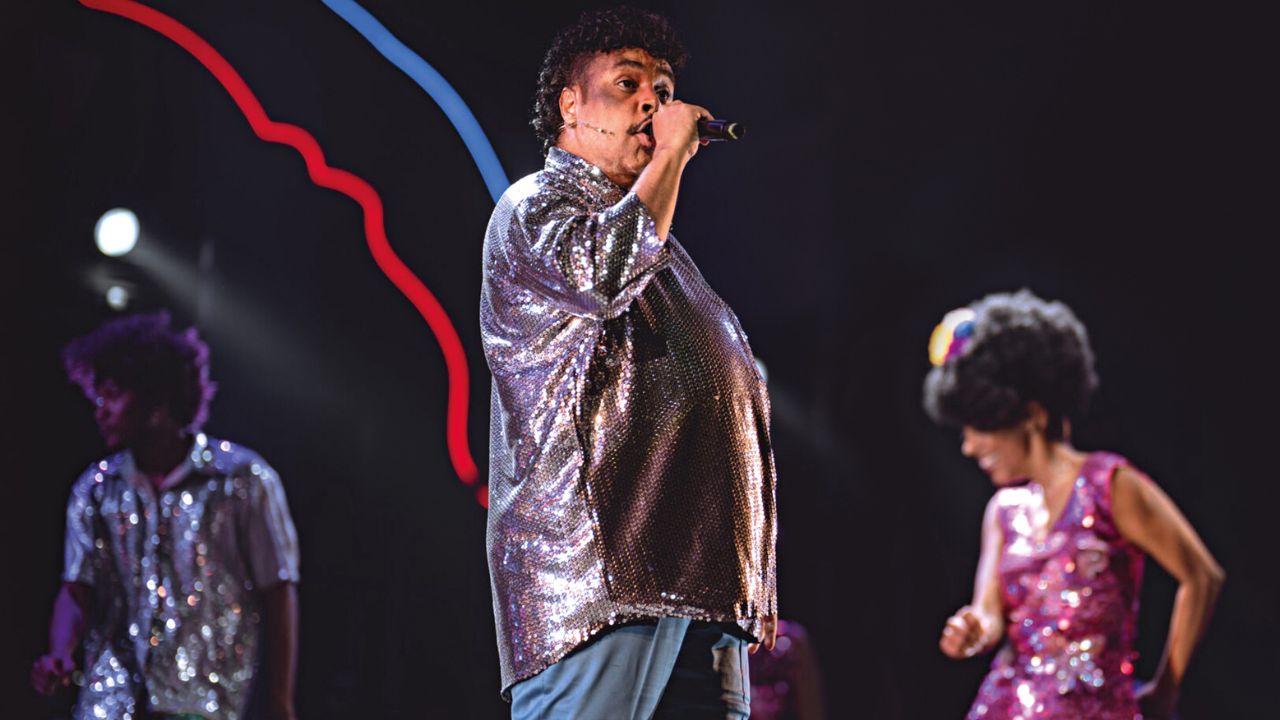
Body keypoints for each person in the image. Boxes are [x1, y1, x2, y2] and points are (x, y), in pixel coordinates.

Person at [480, 6, 777, 718]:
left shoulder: (661, 246)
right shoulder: (534, 207)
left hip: (698, 582)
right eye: (628, 84)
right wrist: (671, 154)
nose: (653, 102)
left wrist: (753, 577)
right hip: (602, 578)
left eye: (664, 91)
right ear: (570, 105)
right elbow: (601, 275)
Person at [923, 290, 1224, 719]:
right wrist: (972, 629)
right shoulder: (1004, 510)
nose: (969, 447)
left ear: (1030, 414)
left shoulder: (1108, 484)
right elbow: (988, 613)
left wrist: (1165, 689)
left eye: (979, 427)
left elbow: (1202, 576)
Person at [30, 312, 301, 720]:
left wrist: (281, 702)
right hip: (109, 704)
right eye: (97, 397)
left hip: (201, 704)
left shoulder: (243, 481)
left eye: (112, 395)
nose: (100, 410)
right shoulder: (96, 488)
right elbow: (77, 588)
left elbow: (278, 592)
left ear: (156, 399)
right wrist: (60, 652)